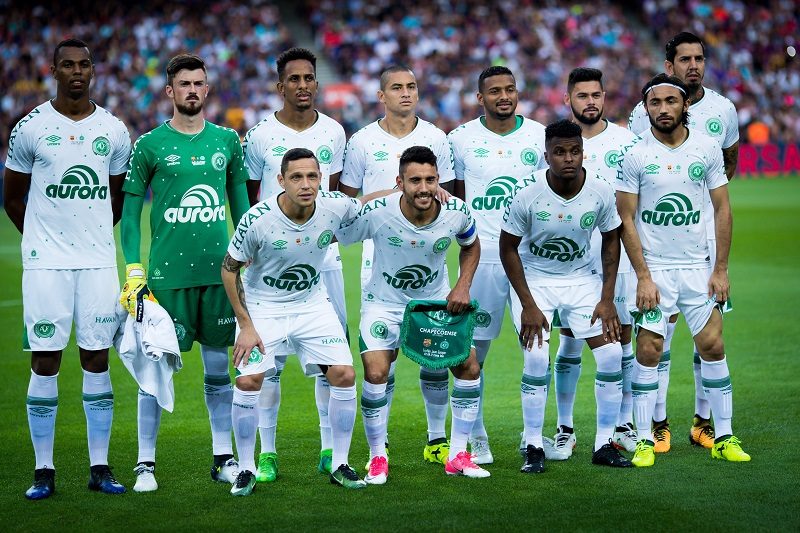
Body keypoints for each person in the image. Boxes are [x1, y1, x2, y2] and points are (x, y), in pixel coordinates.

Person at [3, 38, 130, 499]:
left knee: (97, 358)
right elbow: (12, 197)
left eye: (84, 65)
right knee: (45, 359)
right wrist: (42, 240)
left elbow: (116, 199)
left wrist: (88, 237)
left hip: (97, 263)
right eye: (68, 65)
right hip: (46, 266)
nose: (77, 71)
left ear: (93, 71)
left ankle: (100, 467)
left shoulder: (113, 129)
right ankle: (44, 470)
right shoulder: (30, 127)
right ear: (53, 70)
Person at [222, 148, 389, 494]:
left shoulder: (333, 205)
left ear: (321, 179)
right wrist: (246, 326)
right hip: (263, 307)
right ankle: (247, 468)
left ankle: (340, 464)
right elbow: (229, 269)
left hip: (312, 304)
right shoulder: (258, 219)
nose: (306, 184)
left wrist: (408, 190)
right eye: (296, 177)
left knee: (344, 375)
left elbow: (367, 203)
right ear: (281, 181)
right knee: (249, 381)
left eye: (312, 176)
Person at [120, 53, 250, 491]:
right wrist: (134, 268)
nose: (192, 90)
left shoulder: (227, 141)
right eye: (184, 84)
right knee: (154, 373)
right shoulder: (149, 145)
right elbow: (130, 215)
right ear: (169, 91)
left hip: (219, 277)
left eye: (198, 83)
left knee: (218, 370)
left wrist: (249, 256)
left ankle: (223, 458)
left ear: (207, 89)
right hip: (166, 280)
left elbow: (241, 209)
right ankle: (145, 464)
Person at [618, 73, 750, 467]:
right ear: (646, 109)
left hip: (698, 267)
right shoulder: (635, 153)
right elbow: (626, 218)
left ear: (685, 105)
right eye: (655, 103)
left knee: (713, 346)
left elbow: (722, 208)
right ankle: (645, 439)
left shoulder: (706, 148)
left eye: (670, 101)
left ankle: (723, 436)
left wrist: (720, 269)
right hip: (655, 269)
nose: (663, 109)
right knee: (649, 350)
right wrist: (643, 276)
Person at [338, 146, 488, 482]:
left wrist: (462, 285)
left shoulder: (456, 211)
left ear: (438, 180)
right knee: (376, 372)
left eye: (430, 180)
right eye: (415, 180)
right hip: (384, 303)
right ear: (400, 182)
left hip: (434, 303)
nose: (424, 188)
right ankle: (377, 458)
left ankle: (458, 455)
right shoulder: (378, 212)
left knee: (469, 366)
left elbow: (471, 244)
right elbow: (340, 227)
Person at [339, 65, 457, 465]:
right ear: (381, 95)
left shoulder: (436, 138)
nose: (405, 93)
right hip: (379, 259)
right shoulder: (361, 141)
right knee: (382, 361)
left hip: (428, 261)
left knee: (435, 354)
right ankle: (381, 443)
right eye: (396, 87)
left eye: (411, 87)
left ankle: (437, 439)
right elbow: (348, 205)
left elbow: (446, 199)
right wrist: (388, 198)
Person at [500, 119, 632, 473]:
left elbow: (611, 239)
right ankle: (533, 445)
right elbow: (508, 248)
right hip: (535, 281)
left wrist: (607, 299)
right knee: (536, 359)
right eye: (559, 152)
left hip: (581, 279)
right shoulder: (527, 193)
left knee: (611, 355)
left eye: (575, 151)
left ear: (583, 152)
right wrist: (528, 304)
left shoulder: (600, 190)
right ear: (547, 156)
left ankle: (603, 444)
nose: (568, 158)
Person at [242, 47, 347, 481]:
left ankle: (329, 448)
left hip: (324, 261)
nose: (302, 85)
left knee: (332, 358)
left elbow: (336, 196)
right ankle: (267, 453)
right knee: (270, 364)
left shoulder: (335, 132)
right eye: (294, 79)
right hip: (269, 266)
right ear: (279, 85)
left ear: (316, 83)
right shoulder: (259, 135)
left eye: (308, 78)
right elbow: (248, 197)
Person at [448, 65, 547, 464]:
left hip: (529, 259)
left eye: (510, 89)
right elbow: (456, 202)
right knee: (475, 354)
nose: (504, 96)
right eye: (495, 91)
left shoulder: (539, 134)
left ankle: (532, 437)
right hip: (483, 258)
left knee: (536, 350)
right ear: (480, 97)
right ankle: (476, 435)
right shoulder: (460, 139)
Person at [544, 67, 641, 460]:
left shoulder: (626, 141)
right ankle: (565, 427)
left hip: (619, 256)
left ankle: (624, 423)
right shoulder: (559, 142)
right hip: (574, 261)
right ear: (568, 99)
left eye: (596, 95)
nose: (590, 102)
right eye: (582, 95)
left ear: (604, 97)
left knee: (622, 339)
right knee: (569, 340)